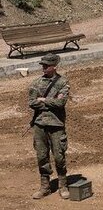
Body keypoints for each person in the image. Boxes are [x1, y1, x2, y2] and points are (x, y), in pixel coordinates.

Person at [28, 53, 70, 200]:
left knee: (59, 156)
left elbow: (61, 103)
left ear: (54, 66)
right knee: (41, 156)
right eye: (43, 65)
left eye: (46, 65)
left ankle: (63, 185)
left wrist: (43, 99)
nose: (43, 68)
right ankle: (45, 186)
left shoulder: (62, 82)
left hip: (56, 124)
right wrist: (51, 101)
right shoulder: (36, 82)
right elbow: (32, 102)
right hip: (40, 124)